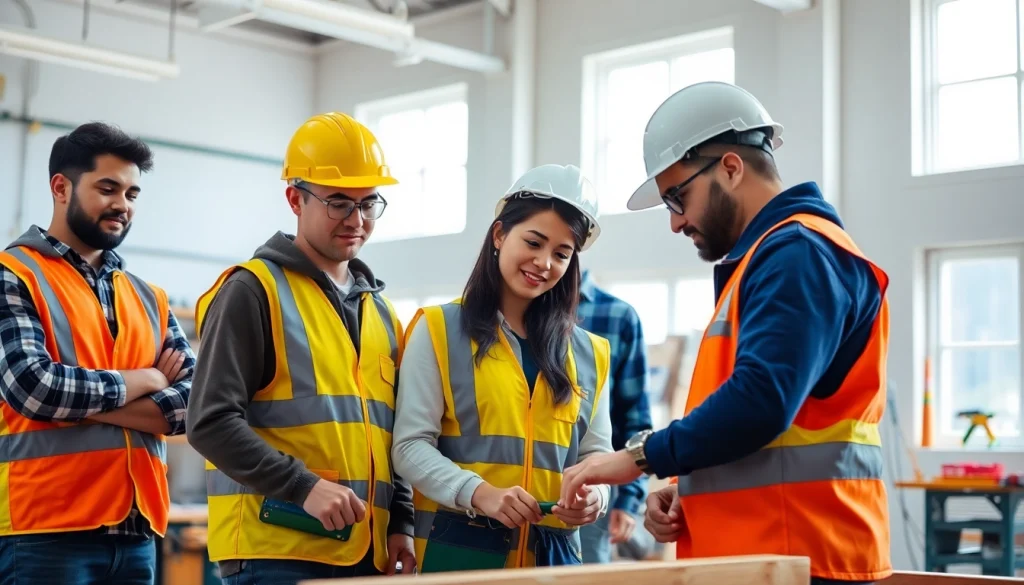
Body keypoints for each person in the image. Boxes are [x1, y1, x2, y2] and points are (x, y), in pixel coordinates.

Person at [558, 81, 891, 585]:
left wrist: (641, 456)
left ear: (731, 168)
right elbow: (765, 425)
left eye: (677, 196)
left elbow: (761, 401)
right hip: (769, 557)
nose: (675, 223)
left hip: (803, 560)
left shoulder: (799, 254)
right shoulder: (766, 261)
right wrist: (689, 485)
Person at [185, 112, 416, 584]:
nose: (357, 221)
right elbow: (208, 421)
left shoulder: (382, 313)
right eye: (338, 203)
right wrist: (302, 486)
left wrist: (402, 521)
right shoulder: (252, 291)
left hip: (365, 556)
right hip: (278, 551)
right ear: (295, 198)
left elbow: (393, 430)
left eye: (369, 203)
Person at [392, 164, 614, 571]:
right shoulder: (438, 330)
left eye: (562, 254)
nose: (544, 262)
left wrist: (596, 498)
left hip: (553, 562)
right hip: (459, 557)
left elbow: (597, 456)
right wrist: (479, 493)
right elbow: (408, 447)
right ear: (499, 235)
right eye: (534, 241)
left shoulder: (592, 353)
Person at [0, 122, 194, 584]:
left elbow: (195, 402)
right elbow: (33, 388)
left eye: (131, 194)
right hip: (42, 532)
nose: (122, 205)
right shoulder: (13, 275)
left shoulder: (149, 297)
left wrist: (82, 404)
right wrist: (147, 379)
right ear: (61, 187)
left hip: (136, 532)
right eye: (108, 188)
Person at [575, 270, 653, 563]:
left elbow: (635, 416)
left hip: (593, 491)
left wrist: (629, 498)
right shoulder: (510, 308)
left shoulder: (617, 316)